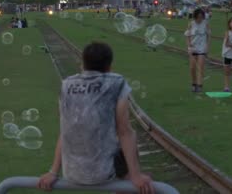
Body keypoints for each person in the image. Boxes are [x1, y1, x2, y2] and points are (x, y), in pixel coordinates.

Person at [37, 42, 154, 194]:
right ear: (109, 66)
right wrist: (136, 175)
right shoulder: (116, 82)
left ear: (82, 64)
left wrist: (53, 172)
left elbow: (65, 130)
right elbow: (124, 131)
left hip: (72, 173)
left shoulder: (66, 85)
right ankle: (126, 179)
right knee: (131, 135)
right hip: (103, 172)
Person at [185, 8, 210, 93]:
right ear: (195, 17)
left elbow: (208, 36)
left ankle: (199, 85)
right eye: (198, 17)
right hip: (193, 47)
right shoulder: (191, 24)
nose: (199, 19)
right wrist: (188, 46)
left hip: (202, 48)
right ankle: (194, 83)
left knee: (200, 67)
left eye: (201, 17)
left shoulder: (205, 24)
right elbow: (187, 35)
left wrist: (207, 47)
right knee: (192, 67)